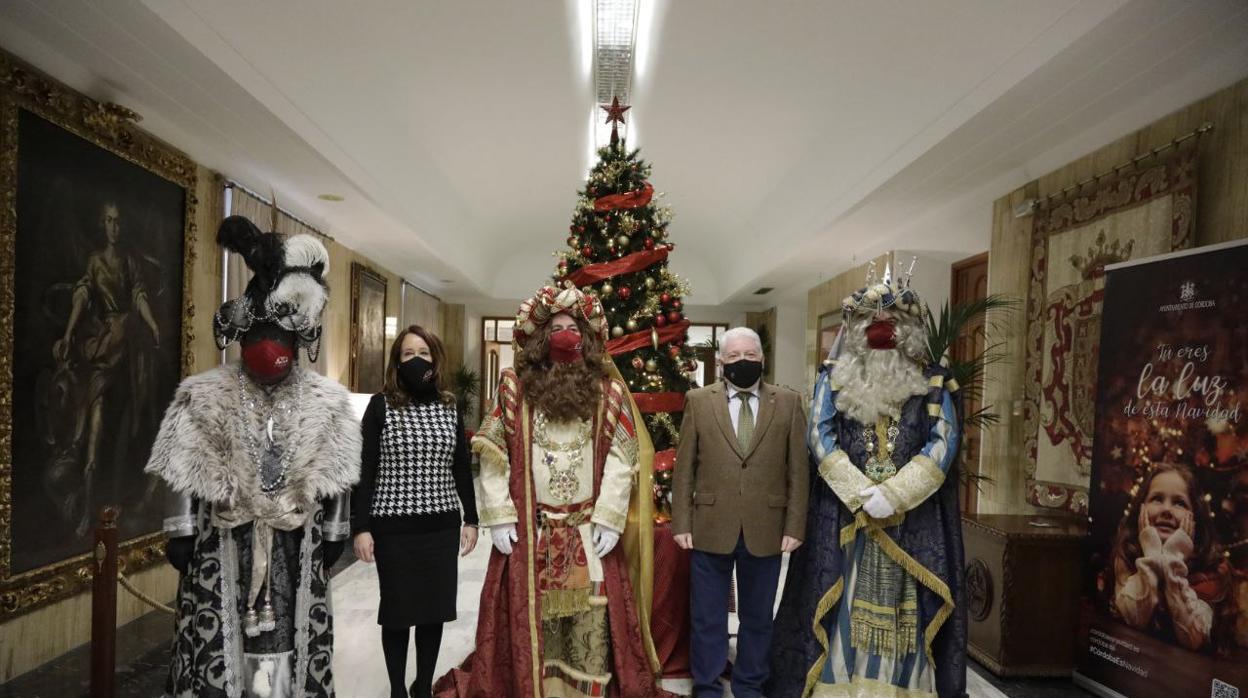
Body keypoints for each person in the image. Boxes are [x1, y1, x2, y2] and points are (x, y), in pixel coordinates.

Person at [145, 215, 360, 697]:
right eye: (258, 334)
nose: (268, 346)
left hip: (295, 543)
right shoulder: (203, 395)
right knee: (221, 641)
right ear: (242, 338)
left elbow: (339, 472)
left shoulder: (325, 401)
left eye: (278, 336)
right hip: (221, 543)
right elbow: (181, 466)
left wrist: (334, 532)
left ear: (297, 342)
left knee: (289, 635)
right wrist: (179, 529)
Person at [435, 283, 669, 698]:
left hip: (587, 532)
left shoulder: (608, 392)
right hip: (531, 533)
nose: (566, 334)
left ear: (586, 337)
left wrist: (611, 517)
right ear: (542, 338)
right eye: (556, 326)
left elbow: (622, 460)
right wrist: (500, 514)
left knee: (590, 622)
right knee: (534, 623)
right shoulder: (512, 388)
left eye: (573, 326)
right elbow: (492, 455)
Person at [768, 270, 966, 698]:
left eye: (893, 320)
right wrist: (861, 493)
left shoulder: (934, 382)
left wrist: (894, 494)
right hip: (843, 515)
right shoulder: (834, 378)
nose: (881, 329)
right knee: (839, 601)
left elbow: (944, 443)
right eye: (870, 322)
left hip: (913, 521)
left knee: (907, 611)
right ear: (854, 330)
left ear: (910, 330)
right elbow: (819, 437)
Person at [671, 326, 809, 698]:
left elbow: (798, 470)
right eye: (734, 357)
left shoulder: (789, 403)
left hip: (767, 528)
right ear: (721, 363)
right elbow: (685, 470)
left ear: (762, 359)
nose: (742, 362)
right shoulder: (699, 401)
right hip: (709, 526)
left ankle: (750, 685)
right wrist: (681, 521)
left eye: (750, 355)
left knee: (758, 618)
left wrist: (795, 524)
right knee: (707, 618)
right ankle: (707, 686)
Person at [352, 325, 479, 698]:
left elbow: (460, 466)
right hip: (394, 529)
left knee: (432, 612)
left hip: (440, 527)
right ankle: (397, 690)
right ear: (396, 361)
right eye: (408, 354)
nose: (416, 359)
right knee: (397, 613)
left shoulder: (449, 405)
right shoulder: (380, 406)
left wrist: (470, 518)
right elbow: (366, 469)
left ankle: (422, 687)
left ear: (435, 358)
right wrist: (360, 527)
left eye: (423, 352)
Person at [51, 200, 162, 536]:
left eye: (118, 221)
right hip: (104, 347)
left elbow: (140, 295)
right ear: (102, 224)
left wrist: (152, 324)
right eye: (109, 221)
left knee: (134, 421)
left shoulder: (129, 262)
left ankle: (128, 495)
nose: (114, 227)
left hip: (128, 347)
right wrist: (69, 332)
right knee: (93, 430)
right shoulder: (95, 262)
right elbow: (82, 296)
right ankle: (86, 507)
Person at [1111, 461, 1227, 651]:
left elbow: (1193, 638)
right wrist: (1153, 554)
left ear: (1195, 517)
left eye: (1179, 503)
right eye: (1157, 499)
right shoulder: (1125, 555)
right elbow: (1134, 618)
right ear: (1141, 508)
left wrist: (1174, 556)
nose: (1166, 510)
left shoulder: (1211, 571)